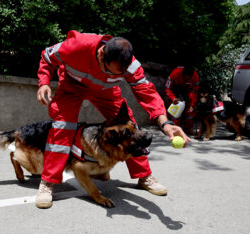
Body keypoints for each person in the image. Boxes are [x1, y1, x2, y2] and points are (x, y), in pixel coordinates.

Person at [35, 30, 191, 208]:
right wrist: (44, 82)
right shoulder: (76, 46)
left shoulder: (130, 65)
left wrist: (165, 123)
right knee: (62, 128)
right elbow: (47, 57)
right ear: (102, 55)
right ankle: (48, 182)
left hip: (105, 90)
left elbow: (146, 93)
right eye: (114, 71)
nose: (118, 76)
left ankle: (144, 176)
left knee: (131, 126)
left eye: (120, 74)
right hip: (72, 86)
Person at [164, 66, 200, 135]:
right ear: (182, 75)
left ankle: (188, 128)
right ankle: (175, 127)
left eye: (189, 79)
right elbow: (167, 88)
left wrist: (192, 105)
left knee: (191, 110)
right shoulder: (175, 73)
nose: (187, 80)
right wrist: (173, 98)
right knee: (174, 108)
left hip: (188, 90)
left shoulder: (195, 77)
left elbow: (195, 92)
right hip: (175, 89)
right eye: (186, 78)